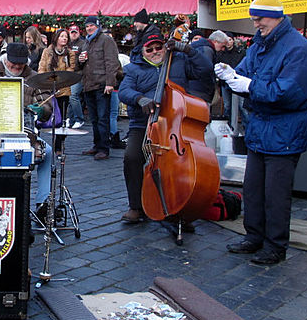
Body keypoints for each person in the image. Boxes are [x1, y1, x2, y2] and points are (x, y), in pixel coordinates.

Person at [216, 0, 307, 265]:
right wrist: (232, 75)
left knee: (276, 193)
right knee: (253, 188)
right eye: (254, 19)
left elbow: (289, 93)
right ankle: (254, 236)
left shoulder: (298, 49)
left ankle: (275, 246)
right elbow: (247, 74)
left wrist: (249, 85)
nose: (256, 24)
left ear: (274, 18)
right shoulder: (261, 43)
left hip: (284, 130)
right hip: (261, 127)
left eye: (259, 19)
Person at [118, 30, 212, 224]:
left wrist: (187, 50)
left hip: (175, 125)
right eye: (149, 49)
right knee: (132, 157)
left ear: (164, 46)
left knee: (179, 166)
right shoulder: (134, 69)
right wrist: (140, 98)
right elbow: (125, 91)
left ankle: (179, 207)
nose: (154, 51)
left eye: (158, 47)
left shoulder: (179, 60)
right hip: (145, 124)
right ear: (142, 51)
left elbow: (205, 70)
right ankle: (136, 206)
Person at [0, 42, 53, 218]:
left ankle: (42, 202)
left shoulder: (35, 78)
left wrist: (42, 110)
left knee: (48, 153)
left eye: (20, 65)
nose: (15, 68)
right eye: (12, 64)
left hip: (23, 134)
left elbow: (47, 108)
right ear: (5, 60)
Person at [77, 16, 120, 160]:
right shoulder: (86, 43)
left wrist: (110, 83)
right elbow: (80, 65)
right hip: (89, 85)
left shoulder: (106, 40)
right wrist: (80, 61)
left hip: (102, 84)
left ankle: (104, 148)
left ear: (97, 26)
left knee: (103, 118)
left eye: (91, 26)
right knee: (94, 118)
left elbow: (112, 62)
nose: (89, 28)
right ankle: (97, 145)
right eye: (87, 26)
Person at [38, 28, 78, 154]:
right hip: (49, 87)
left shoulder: (70, 53)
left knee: (61, 118)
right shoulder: (47, 51)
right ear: (56, 38)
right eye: (62, 36)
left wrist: (62, 81)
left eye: (66, 37)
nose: (64, 39)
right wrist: (45, 82)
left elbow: (71, 70)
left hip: (63, 88)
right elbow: (42, 68)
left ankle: (58, 145)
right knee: (46, 115)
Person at [187, 30, 231, 103]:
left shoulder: (202, 48)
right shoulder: (207, 50)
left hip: (194, 89)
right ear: (216, 42)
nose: (223, 49)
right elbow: (205, 71)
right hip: (200, 91)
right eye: (223, 46)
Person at [66, 23, 87, 128]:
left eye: (75, 32)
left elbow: (84, 59)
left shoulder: (83, 44)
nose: (74, 34)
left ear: (79, 33)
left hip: (78, 73)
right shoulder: (66, 44)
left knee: (73, 96)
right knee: (70, 97)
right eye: (72, 32)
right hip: (68, 74)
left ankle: (79, 118)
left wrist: (79, 61)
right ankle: (71, 119)